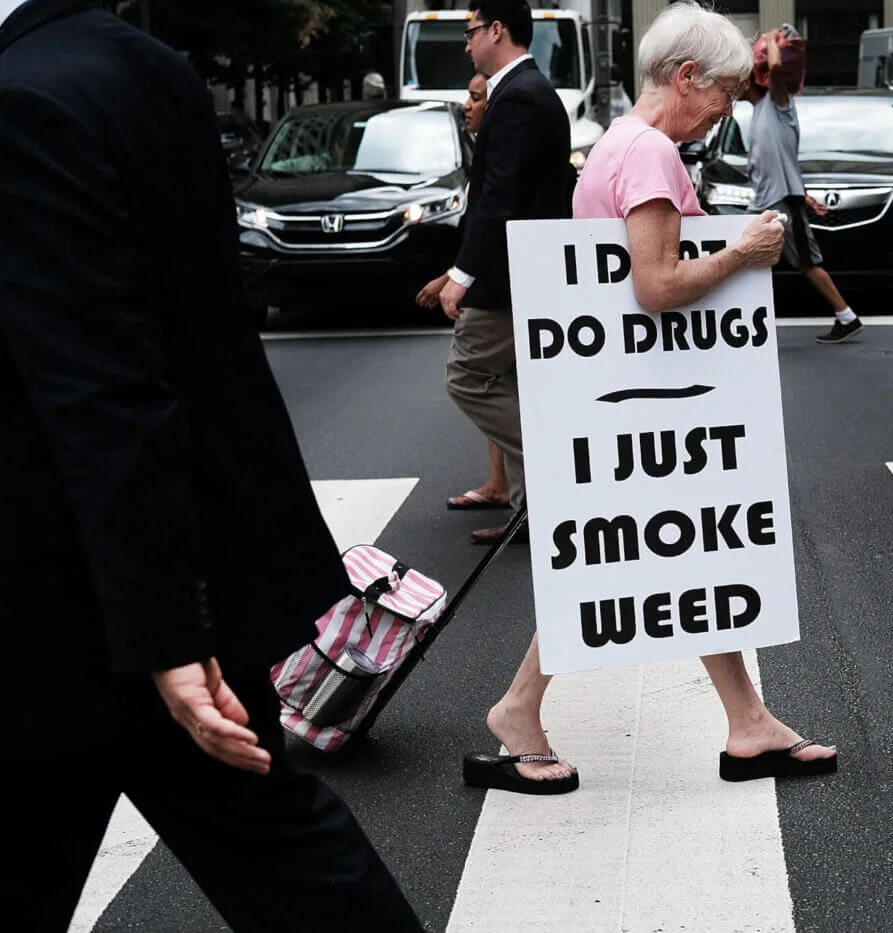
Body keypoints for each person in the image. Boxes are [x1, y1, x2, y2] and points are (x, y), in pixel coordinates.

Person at [0, 1, 423, 930]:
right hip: (161, 565)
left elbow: (100, 384)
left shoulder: (20, 99)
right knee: (278, 845)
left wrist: (164, 634)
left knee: (277, 846)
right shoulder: (139, 63)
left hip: (78, 599)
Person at [462, 0, 837, 795]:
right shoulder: (654, 155)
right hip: (652, 397)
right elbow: (657, 286)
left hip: (634, 396)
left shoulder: (618, 146)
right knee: (622, 556)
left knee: (678, 554)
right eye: (726, 93)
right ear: (687, 77)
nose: (728, 110)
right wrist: (742, 251)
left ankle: (747, 722)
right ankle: (518, 710)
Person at [429, 0, 577, 546]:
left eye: (470, 33)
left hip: (511, 276)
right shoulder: (527, 92)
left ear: (497, 29)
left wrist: (463, 275)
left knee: (468, 378)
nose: (466, 45)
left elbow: (501, 197)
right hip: (523, 271)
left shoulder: (518, 98)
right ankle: (530, 510)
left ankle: (557, 462)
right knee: (515, 382)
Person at [419, 72, 512, 512]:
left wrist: (455, 280)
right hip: (483, 283)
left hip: (497, 292)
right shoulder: (480, 156)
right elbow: (476, 236)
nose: (467, 105)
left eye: (476, 98)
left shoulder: (497, 156)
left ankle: (536, 473)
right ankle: (500, 483)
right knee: (499, 381)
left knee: (475, 379)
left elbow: (492, 229)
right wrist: (446, 277)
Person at [741, 27, 862, 344]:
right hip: (769, 202)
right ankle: (747, 321)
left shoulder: (777, 102)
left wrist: (768, 41)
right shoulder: (756, 113)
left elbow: (778, 69)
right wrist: (805, 196)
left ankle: (846, 316)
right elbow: (779, 163)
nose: (734, 87)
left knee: (806, 262)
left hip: (781, 203)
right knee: (748, 259)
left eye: (741, 79)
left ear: (755, 78)